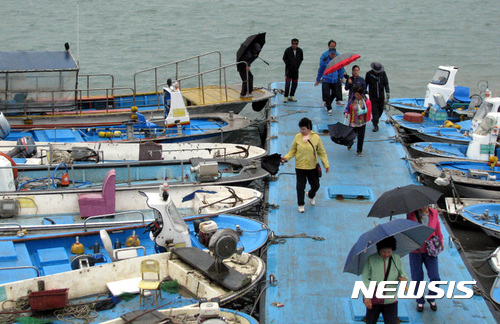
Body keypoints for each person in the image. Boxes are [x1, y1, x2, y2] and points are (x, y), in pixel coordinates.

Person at [281, 117, 329, 213]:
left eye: (303, 129)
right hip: (300, 166)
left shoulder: (316, 138)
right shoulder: (297, 137)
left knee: (316, 185)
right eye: (300, 128)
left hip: (312, 166)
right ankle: (301, 204)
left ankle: (310, 195)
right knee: (300, 186)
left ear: (309, 128)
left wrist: (326, 164)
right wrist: (285, 158)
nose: (301, 131)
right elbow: (293, 151)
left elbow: (321, 152)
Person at [362, 236, 408, 324]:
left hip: (391, 300)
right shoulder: (371, 260)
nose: (386, 254)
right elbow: (365, 279)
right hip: (374, 300)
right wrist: (367, 296)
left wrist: (404, 279)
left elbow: (403, 274)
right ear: (379, 249)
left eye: (389, 251)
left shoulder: (396, 259)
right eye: (384, 251)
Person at [407, 205, 443, 313]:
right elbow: (408, 230)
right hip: (415, 251)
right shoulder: (411, 214)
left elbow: (437, 229)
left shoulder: (434, 213)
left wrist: (441, 241)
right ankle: (420, 300)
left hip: (430, 249)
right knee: (417, 277)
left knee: (435, 276)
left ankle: (431, 297)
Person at [314, 49, 345, 115]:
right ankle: (329, 108)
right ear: (329, 53)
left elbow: (340, 69)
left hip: (335, 79)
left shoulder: (337, 60)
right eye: (331, 54)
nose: (332, 55)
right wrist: (317, 80)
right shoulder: (324, 60)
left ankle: (328, 103)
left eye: (334, 54)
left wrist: (342, 78)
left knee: (335, 93)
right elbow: (321, 70)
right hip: (326, 79)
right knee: (327, 94)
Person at [344, 86, 372, 157]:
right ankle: (350, 144)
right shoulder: (352, 100)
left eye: (358, 95)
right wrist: (346, 113)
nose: (356, 96)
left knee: (361, 137)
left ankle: (359, 151)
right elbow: (347, 108)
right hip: (353, 122)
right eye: (355, 94)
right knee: (351, 135)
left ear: (361, 94)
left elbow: (369, 110)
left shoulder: (366, 101)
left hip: (362, 123)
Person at [365, 62, 390, 132]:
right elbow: (365, 83)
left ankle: (375, 119)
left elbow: (386, 83)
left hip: (381, 96)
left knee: (381, 110)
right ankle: (375, 124)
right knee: (375, 110)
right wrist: (364, 92)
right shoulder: (369, 74)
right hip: (373, 96)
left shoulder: (383, 74)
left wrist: (387, 92)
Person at [282, 38, 303, 103]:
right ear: (291, 44)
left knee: (295, 84)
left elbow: (301, 59)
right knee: (287, 84)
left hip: (296, 70)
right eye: (293, 44)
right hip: (289, 70)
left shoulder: (300, 51)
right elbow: (284, 58)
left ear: (297, 44)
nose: (294, 45)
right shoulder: (288, 50)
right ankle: (286, 97)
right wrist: (289, 64)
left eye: (296, 44)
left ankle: (292, 95)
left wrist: (297, 65)